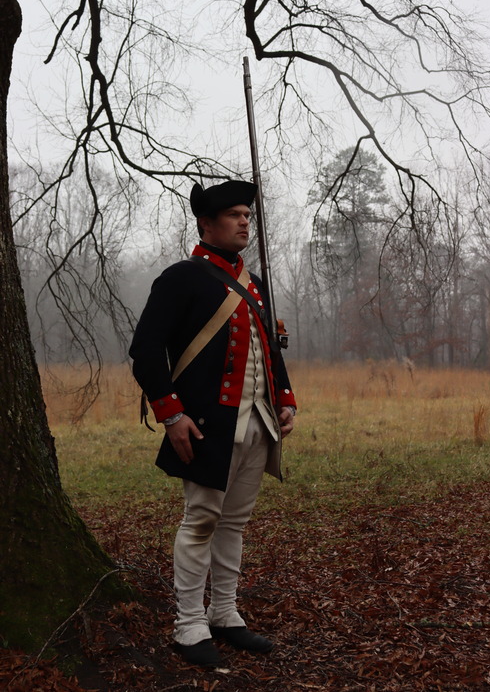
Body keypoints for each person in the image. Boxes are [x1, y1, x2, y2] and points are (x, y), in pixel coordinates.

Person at [129, 180, 296, 668]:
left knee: (234, 524)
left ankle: (224, 613)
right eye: (234, 215)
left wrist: (285, 398)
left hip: (258, 422)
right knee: (201, 520)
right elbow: (145, 351)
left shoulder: (254, 282)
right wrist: (171, 413)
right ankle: (188, 624)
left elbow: (269, 347)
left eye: (247, 214)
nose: (245, 221)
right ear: (206, 223)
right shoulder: (181, 278)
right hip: (205, 425)